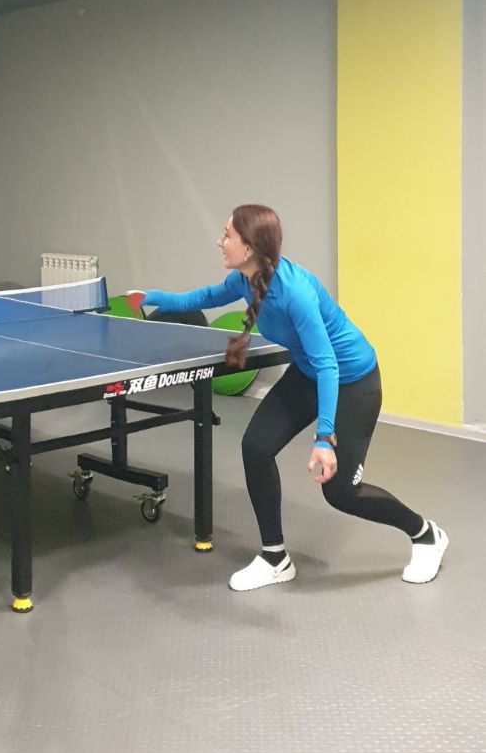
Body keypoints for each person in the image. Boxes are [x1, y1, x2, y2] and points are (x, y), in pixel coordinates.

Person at [136, 204, 448, 591]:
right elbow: (205, 296)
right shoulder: (246, 279)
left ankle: (426, 534)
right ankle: (275, 558)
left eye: (227, 235)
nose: (220, 241)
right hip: (307, 374)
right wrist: (150, 296)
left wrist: (325, 438)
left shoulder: (295, 293)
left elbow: (329, 365)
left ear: (249, 247)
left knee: (341, 492)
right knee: (256, 447)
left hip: (353, 381)